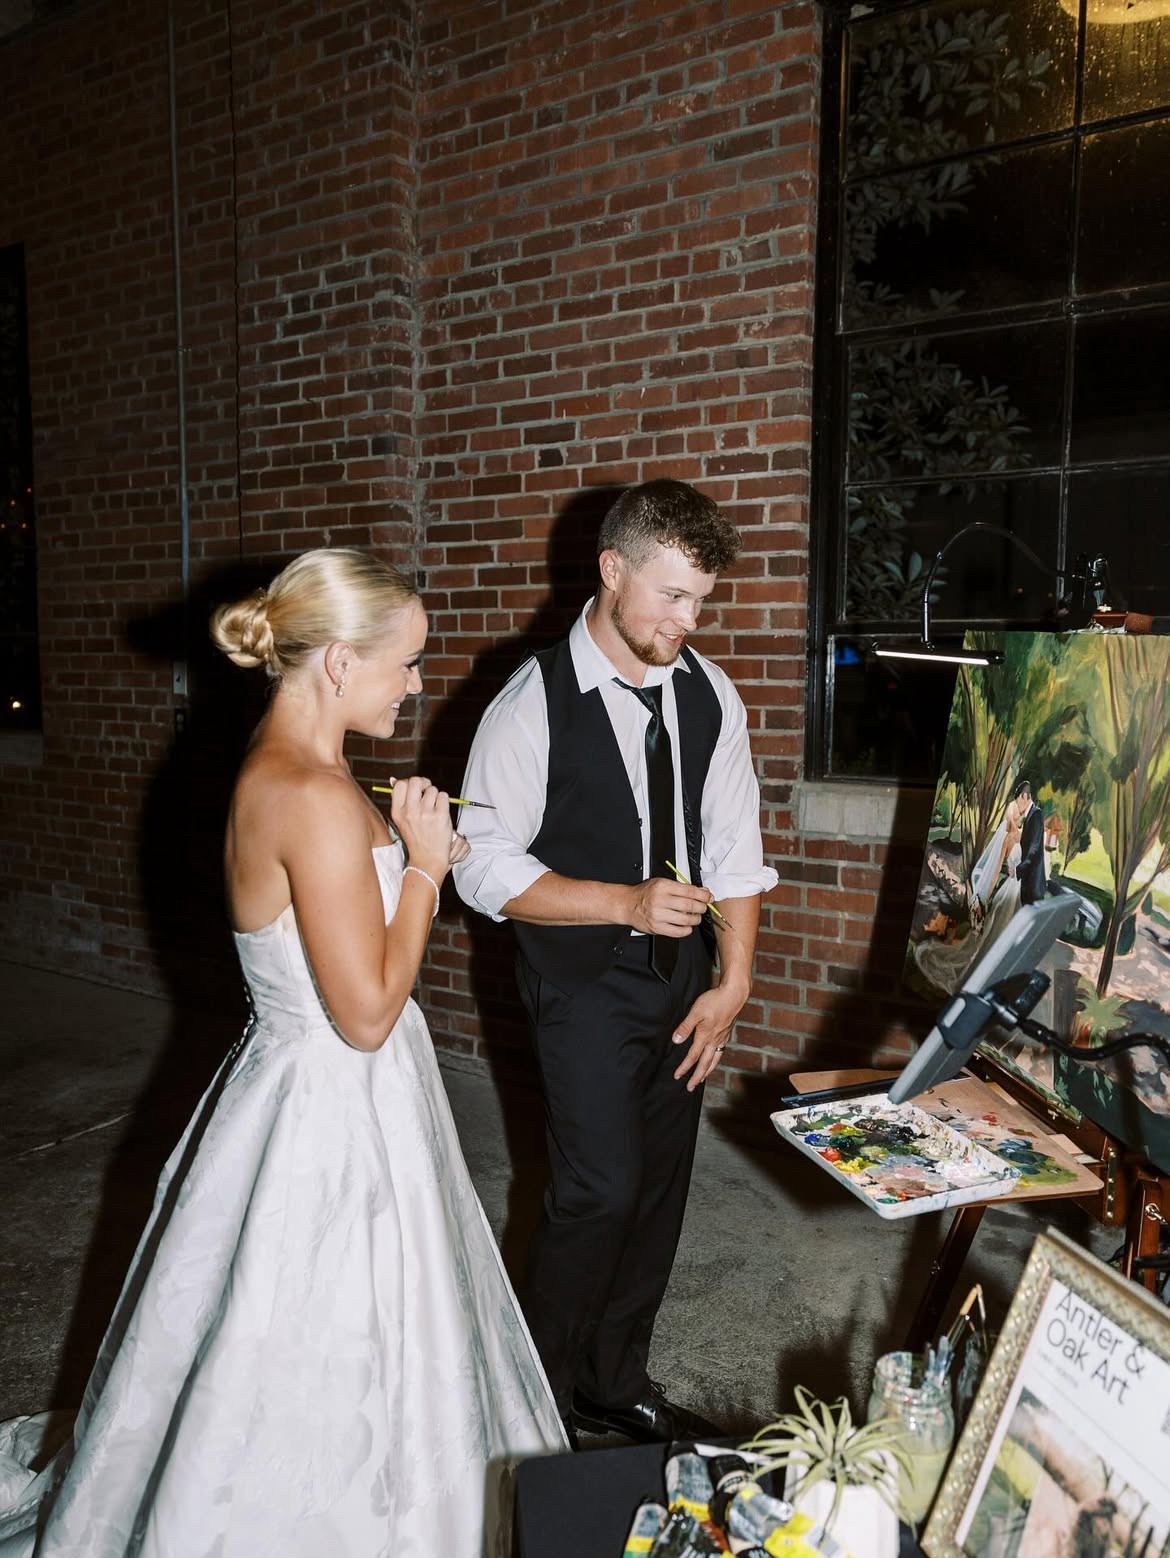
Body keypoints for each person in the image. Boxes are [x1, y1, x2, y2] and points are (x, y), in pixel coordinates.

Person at [0, 549, 565, 1558]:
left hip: (316, 1083)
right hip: (334, 1100)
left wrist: (404, 854)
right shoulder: (309, 792)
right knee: (327, 1325)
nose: (416, 682)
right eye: (406, 662)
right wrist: (424, 869)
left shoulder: (293, 763)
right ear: (340, 662)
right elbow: (368, 1014)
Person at [453, 480, 778, 1445]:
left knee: (659, 1191)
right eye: (672, 595)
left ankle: (612, 1380)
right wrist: (623, 903)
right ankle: (536, 1403)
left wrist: (735, 983)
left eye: (701, 601)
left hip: (682, 980)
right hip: (581, 981)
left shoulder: (709, 693)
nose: (688, 621)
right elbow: (481, 867)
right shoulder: (530, 703)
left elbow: (737, 849)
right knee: (597, 1191)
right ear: (611, 570)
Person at [1013, 780, 1047, 907]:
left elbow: (1033, 849)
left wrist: (1018, 870)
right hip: (1028, 882)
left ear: (1024, 796)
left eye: (1017, 802)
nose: (1017, 806)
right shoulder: (1030, 816)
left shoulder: (1036, 815)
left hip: (1034, 884)